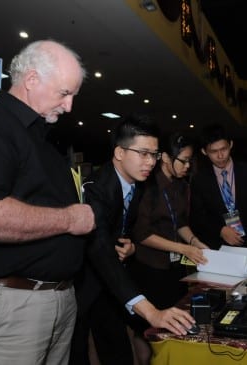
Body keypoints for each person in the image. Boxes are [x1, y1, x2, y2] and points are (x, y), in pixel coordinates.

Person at [0, 40, 96, 365]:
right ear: (31, 80)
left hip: (51, 300)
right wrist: (69, 219)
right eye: (64, 93)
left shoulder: (38, 140)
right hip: (10, 306)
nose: (69, 107)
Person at [70, 117, 196, 365]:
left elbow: (128, 229)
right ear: (119, 152)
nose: (151, 162)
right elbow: (99, 247)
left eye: (155, 154)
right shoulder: (96, 188)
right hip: (83, 284)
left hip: (113, 284)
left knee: (118, 352)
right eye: (143, 154)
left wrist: (131, 246)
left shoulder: (137, 183)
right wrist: (150, 312)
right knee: (77, 353)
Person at [128, 132, 209, 364]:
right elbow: (141, 234)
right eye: (182, 160)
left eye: (189, 161)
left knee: (174, 321)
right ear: (164, 157)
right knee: (147, 328)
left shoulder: (182, 186)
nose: (187, 166)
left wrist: (194, 242)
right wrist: (183, 249)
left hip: (174, 267)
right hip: (148, 267)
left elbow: (181, 222)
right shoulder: (147, 185)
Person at [190, 123, 247, 249]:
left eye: (224, 149)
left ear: (231, 145)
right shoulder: (199, 180)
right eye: (213, 151)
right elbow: (198, 216)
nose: (220, 156)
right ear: (204, 151)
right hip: (217, 245)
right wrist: (220, 230)